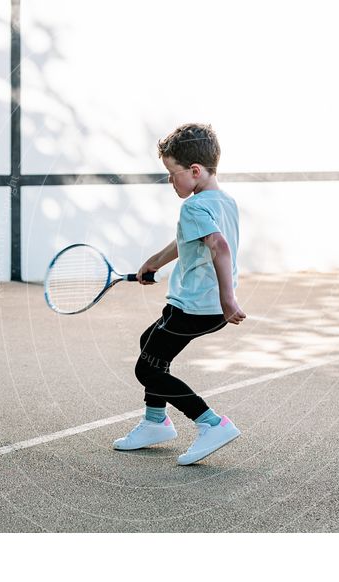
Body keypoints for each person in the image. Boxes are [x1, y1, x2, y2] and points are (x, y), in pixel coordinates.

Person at [113, 123, 246, 465]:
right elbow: (191, 240)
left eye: (172, 174)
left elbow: (219, 245)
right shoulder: (223, 201)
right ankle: (156, 422)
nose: (170, 181)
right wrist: (154, 263)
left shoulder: (192, 206)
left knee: (147, 369)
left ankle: (211, 423)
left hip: (196, 306)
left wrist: (227, 299)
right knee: (150, 344)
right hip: (206, 306)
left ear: (195, 171)